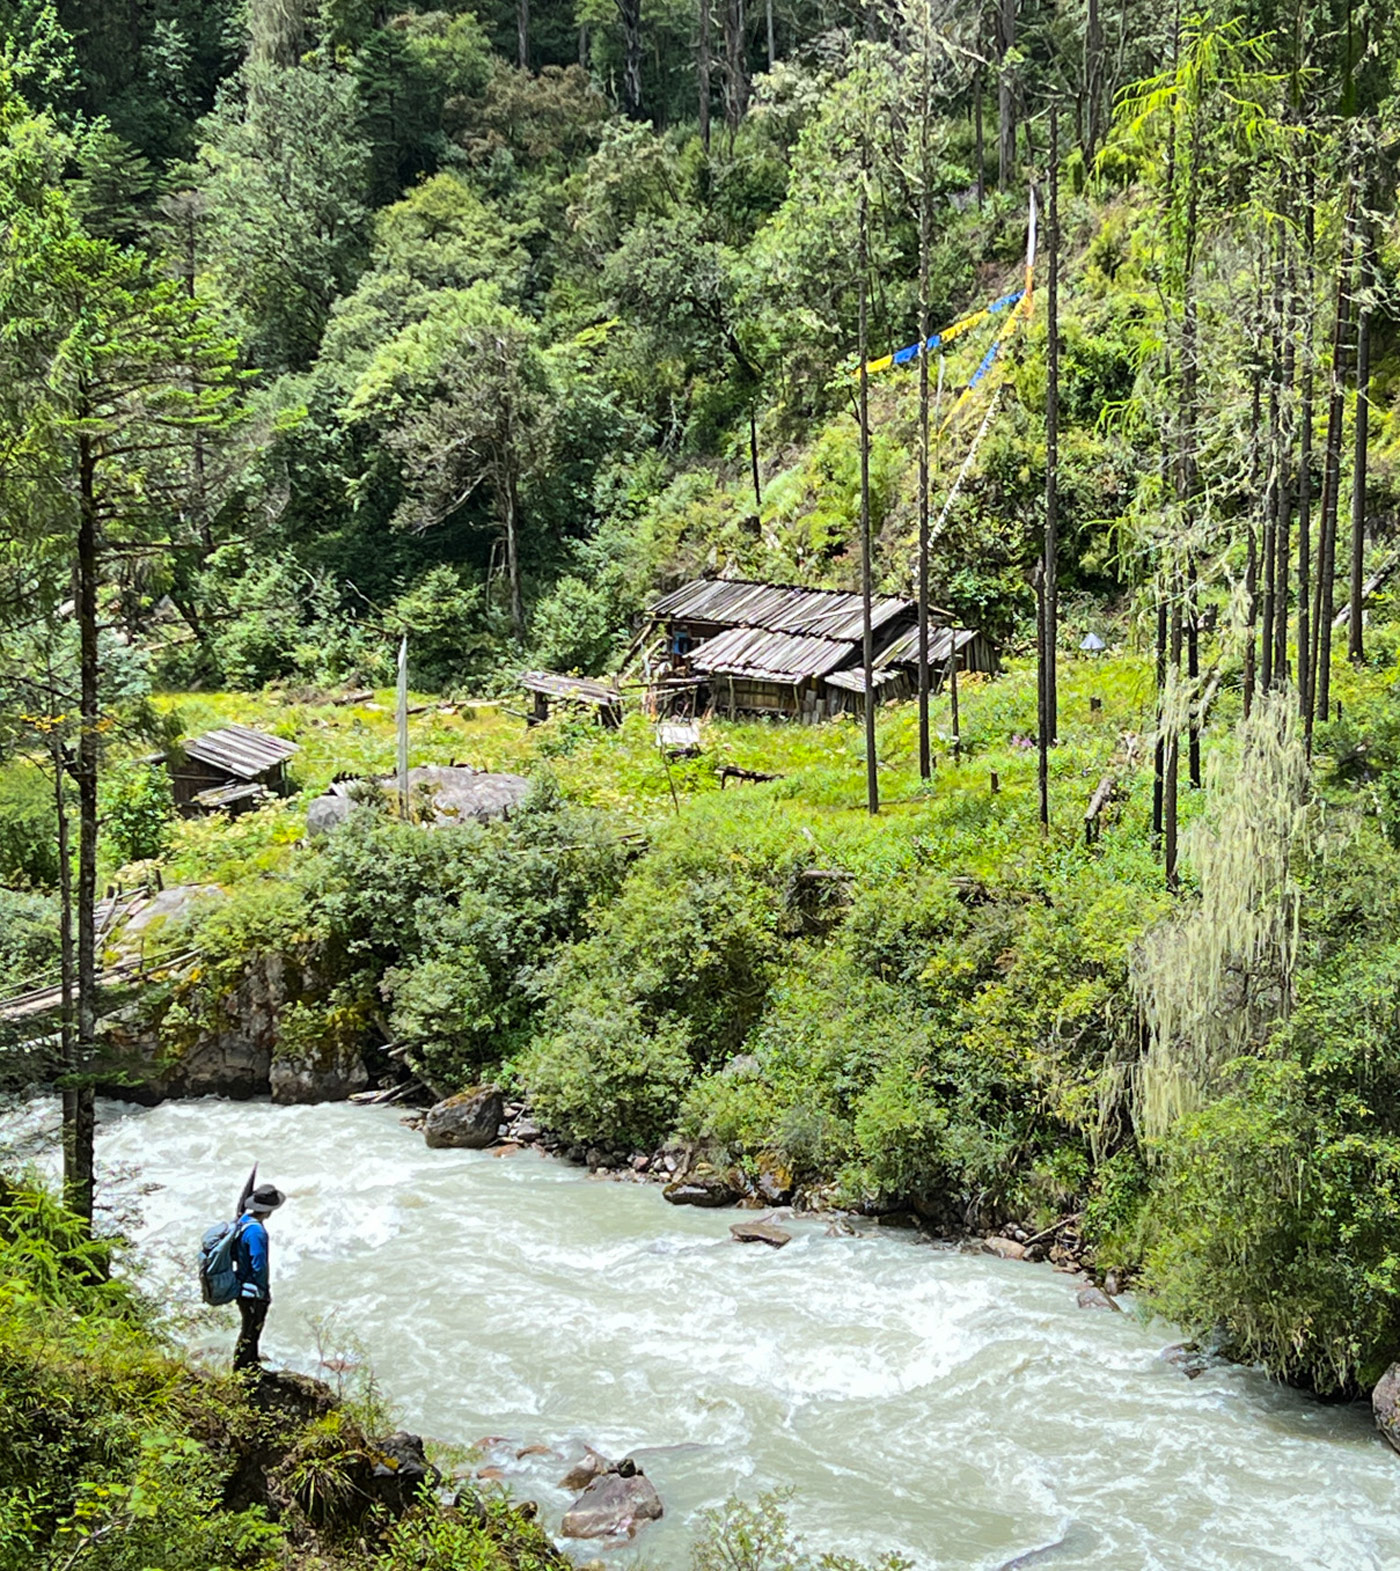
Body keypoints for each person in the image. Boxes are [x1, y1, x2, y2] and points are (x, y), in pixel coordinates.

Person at [233, 1181, 285, 1373]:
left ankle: (249, 1364)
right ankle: (244, 1370)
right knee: (252, 1330)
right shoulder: (258, 1232)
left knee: (249, 1327)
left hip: (241, 1285)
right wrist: (263, 1291)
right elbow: (259, 1265)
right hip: (252, 1290)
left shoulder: (243, 1223)